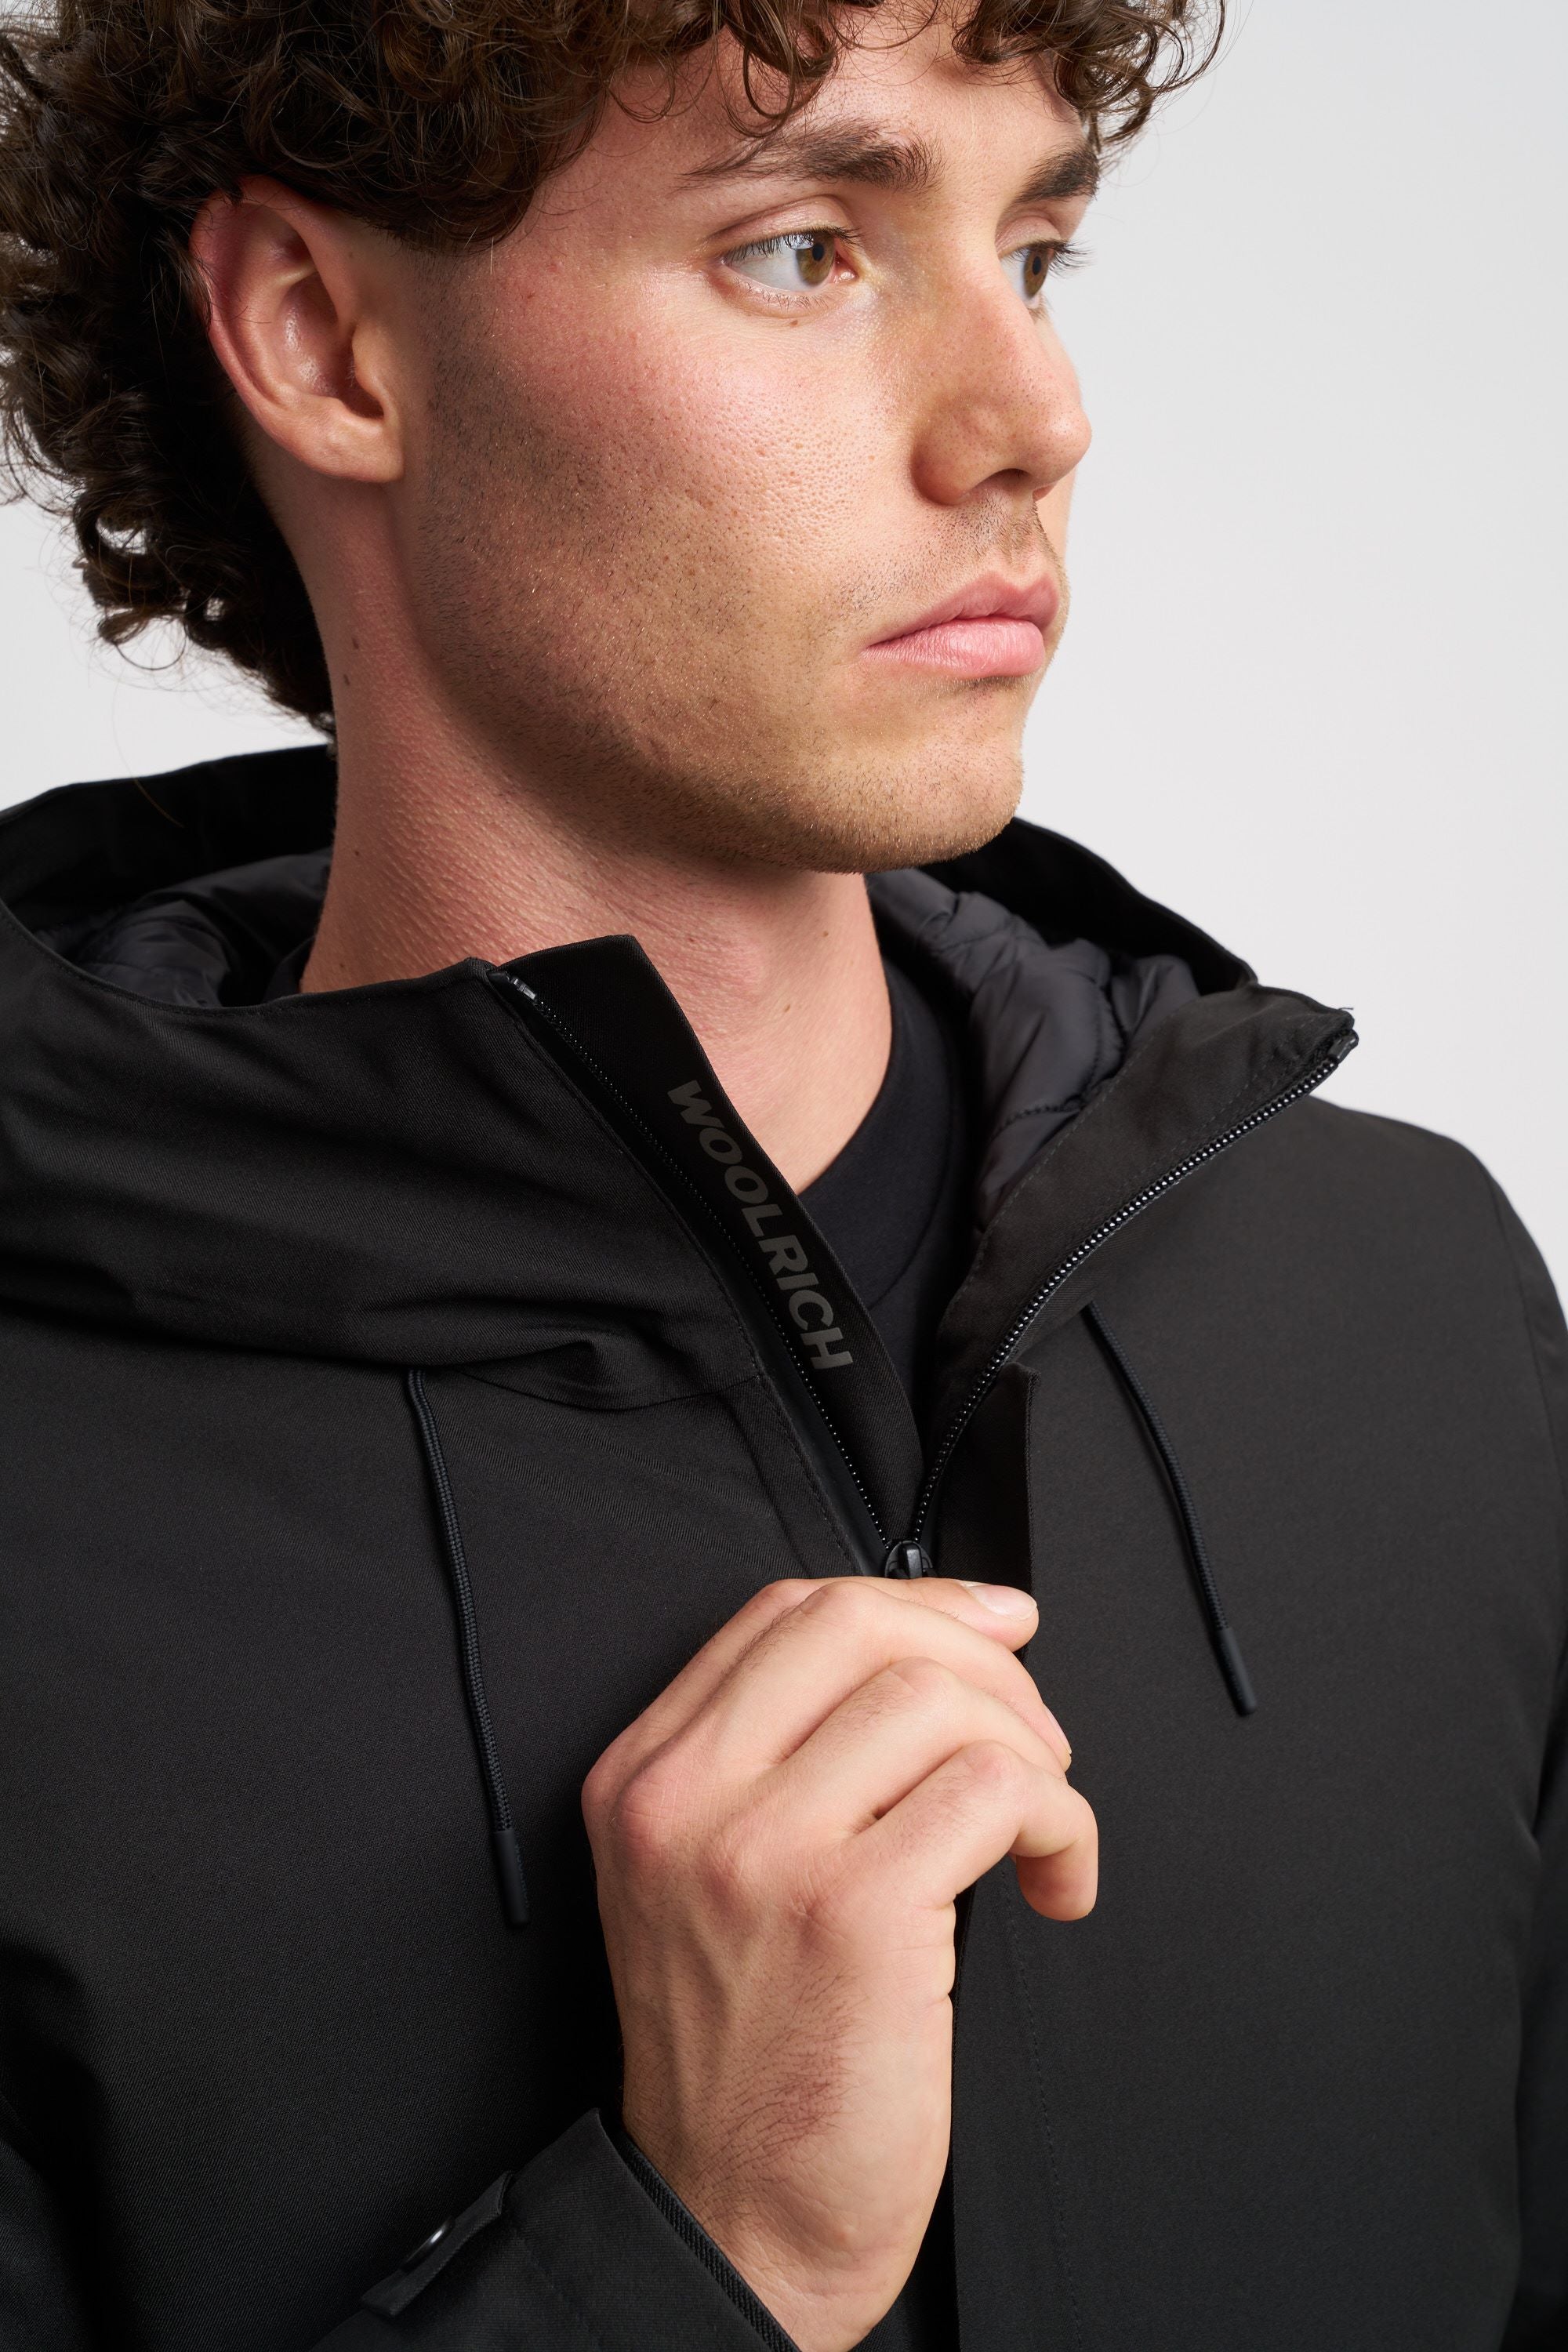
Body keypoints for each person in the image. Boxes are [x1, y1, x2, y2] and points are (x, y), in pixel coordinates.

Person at [0, 0, 1562, 2345]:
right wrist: (696, 2253)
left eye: (1034, 250)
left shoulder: (1405, 1292)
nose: (1032, 419)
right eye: (804, 248)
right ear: (323, 338)